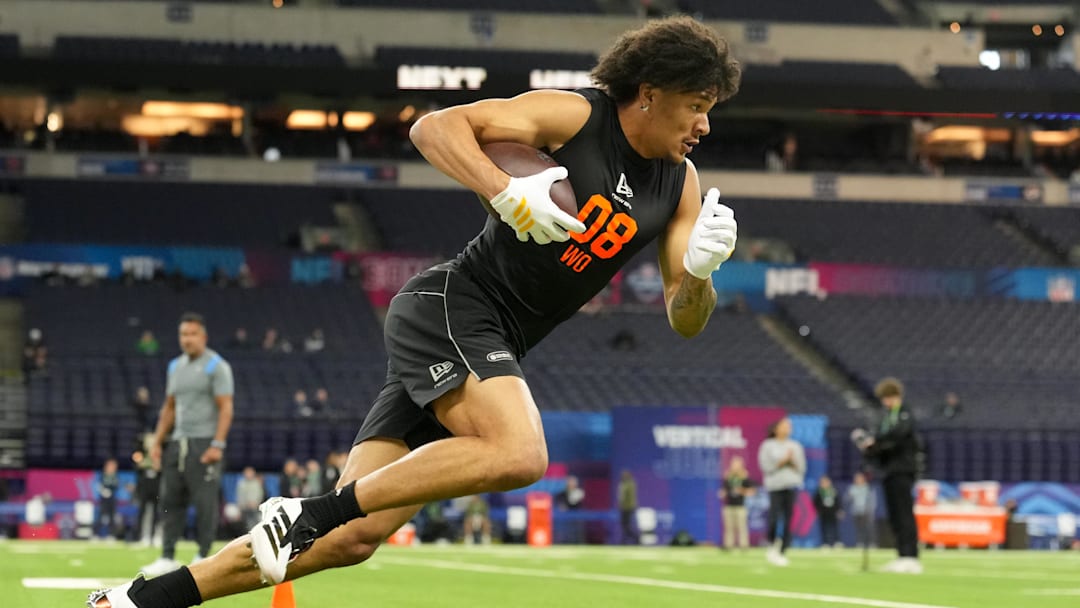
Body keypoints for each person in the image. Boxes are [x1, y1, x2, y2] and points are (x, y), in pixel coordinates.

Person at [90, 16, 741, 607]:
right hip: (455, 308)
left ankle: (136, 602)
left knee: (352, 539)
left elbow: (684, 316)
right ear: (650, 92)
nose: (704, 125)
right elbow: (434, 126)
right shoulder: (576, 114)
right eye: (696, 106)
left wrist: (704, 274)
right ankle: (312, 509)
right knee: (520, 453)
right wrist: (505, 192)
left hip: (497, 340)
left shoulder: (679, 185)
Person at [138, 313, 234, 578]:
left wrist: (218, 444)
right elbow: (169, 408)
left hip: (204, 443)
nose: (187, 339)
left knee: (204, 504)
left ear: (203, 336)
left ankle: (204, 556)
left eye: (192, 334)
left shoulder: (217, 366)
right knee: (169, 500)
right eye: (183, 334)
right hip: (177, 442)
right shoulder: (174, 367)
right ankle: (167, 556)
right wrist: (156, 442)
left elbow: (226, 408)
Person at [853, 377, 922, 574]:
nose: (886, 402)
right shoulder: (885, 416)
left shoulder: (905, 413)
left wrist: (875, 442)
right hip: (888, 470)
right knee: (894, 514)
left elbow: (898, 435)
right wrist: (868, 447)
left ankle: (911, 555)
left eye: (888, 398)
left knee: (904, 513)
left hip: (902, 469)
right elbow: (882, 441)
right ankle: (902, 554)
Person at [758, 417, 806, 566]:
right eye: (784, 425)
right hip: (775, 486)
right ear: (776, 428)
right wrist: (782, 461)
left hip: (791, 486)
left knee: (788, 519)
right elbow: (766, 467)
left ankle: (783, 550)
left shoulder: (795, 446)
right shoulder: (768, 445)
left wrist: (791, 462)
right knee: (774, 517)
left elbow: (802, 468)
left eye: (789, 426)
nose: (787, 428)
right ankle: (772, 543)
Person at [718, 455, 755, 551]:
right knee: (729, 527)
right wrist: (723, 493)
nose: (735, 466)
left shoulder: (744, 477)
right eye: (734, 464)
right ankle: (728, 545)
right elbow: (723, 490)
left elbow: (751, 491)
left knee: (742, 527)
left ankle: (744, 545)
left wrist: (741, 491)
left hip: (740, 506)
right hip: (729, 505)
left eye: (737, 464)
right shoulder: (728, 477)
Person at [131, 433, 162, 547]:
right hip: (144, 485)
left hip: (156, 484)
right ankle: (140, 537)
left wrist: (157, 465)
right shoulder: (140, 453)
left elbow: (161, 468)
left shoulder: (160, 453)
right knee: (142, 511)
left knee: (156, 512)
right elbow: (137, 464)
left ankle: (154, 537)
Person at [846, 471, 876, 549]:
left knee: (868, 528)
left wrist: (871, 509)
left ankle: (871, 543)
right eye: (856, 479)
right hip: (856, 511)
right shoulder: (852, 488)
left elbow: (872, 500)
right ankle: (860, 543)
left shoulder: (868, 488)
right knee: (859, 528)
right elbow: (847, 499)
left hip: (866, 511)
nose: (858, 480)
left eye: (859, 478)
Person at [813, 475, 842, 549]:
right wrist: (818, 510)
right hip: (823, 513)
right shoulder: (819, 492)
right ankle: (825, 543)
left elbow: (838, 501)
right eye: (822, 482)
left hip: (832, 512)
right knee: (824, 528)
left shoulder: (833, 490)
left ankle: (837, 542)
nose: (824, 484)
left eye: (825, 482)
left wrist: (839, 510)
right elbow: (814, 502)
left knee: (835, 527)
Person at [96, 458, 121, 541]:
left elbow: (116, 486)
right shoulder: (103, 475)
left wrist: (111, 491)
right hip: (104, 498)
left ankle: (111, 535)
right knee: (100, 516)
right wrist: (103, 491)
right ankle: (95, 534)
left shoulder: (115, 476)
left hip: (112, 499)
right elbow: (99, 484)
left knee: (111, 517)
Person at [618, 470, 640, 545]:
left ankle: (636, 538)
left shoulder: (628, 484)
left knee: (626, 525)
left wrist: (622, 505)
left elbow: (624, 497)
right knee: (625, 525)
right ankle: (624, 540)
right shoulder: (628, 484)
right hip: (626, 507)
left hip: (627, 508)